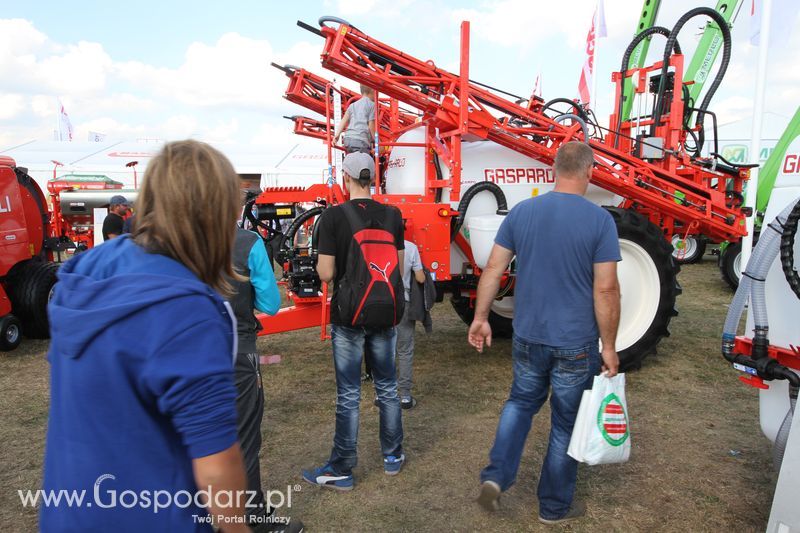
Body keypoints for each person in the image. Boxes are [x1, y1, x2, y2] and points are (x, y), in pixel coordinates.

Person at [42, 140, 250, 532]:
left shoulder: (89, 268)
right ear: (217, 216)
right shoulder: (185, 311)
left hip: (69, 512)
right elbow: (217, 466)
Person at [469, 142, 621, 525]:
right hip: (575, 343)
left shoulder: (522, 212)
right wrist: (610, 346)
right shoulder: (600, 221)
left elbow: (492, 268)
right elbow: (605, 289)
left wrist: (481, 317)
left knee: (519, 405)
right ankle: (552, 507)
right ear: (589, 172)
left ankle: (496, 477)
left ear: (554, 170)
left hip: (528, 337)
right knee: (565, 425)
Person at [302, 152, 405, 490]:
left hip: (349, 315)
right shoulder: (393, 215)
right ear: (373, 178)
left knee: (349, 393)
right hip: (385, 312)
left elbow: (327, 274)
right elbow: (398, 269)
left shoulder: (333, 218)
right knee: (388, 387)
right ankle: (393, 455)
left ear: (344, 178)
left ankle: (342, 468)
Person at [228, 226, 292, 530]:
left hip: (189, 351)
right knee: (245, 438)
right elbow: (270, 304)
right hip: (237, 352)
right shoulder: (247, 242)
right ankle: (252, 517)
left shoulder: (178, 237)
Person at [396, 237, 425, 409]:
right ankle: (405, 397)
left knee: (382, 349)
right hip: (403, 302)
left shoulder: (376, 244)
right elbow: (420, 278)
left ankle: (381, 394)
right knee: (405, 350)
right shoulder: (410, 247)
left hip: (380, 304)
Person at [333, 85, 376, 154]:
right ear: (372, 91)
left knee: (352, 161)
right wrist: (378, 142)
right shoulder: (372, 105)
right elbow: (371, 127)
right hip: (361, 140)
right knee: (363, 163)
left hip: (348, 139)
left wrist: (337, 135)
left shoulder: (352, 105)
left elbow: (344, 120)